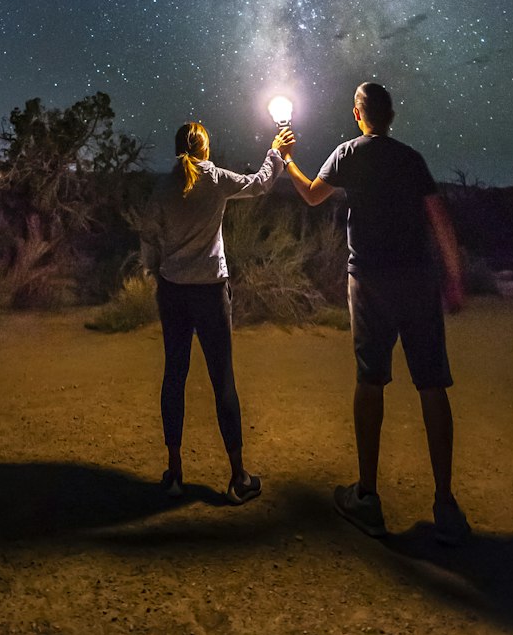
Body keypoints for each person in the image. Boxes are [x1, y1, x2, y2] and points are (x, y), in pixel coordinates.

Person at [280, 81, 470, 543]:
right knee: (431, 383)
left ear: (358, 114)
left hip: (369, 282)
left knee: (370, 380)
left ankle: (367, 496)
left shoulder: (347, 154)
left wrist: (284, 158)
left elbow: (310, 195)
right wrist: (454, 276)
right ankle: (445, 502)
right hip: (418, 280)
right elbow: (439, 217)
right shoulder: (410, 158)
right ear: (391, 116)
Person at [140, 119, 294, 504]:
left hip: (173, 291)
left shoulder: (163, 186)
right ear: (204, 149)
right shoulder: (215, 178)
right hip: (210, 292)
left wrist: (155, 268)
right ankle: (238, 476)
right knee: (222, 379)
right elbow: (259, 183)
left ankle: (174, 472)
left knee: (173, 377)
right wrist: (276, 152)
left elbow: (149, 235)